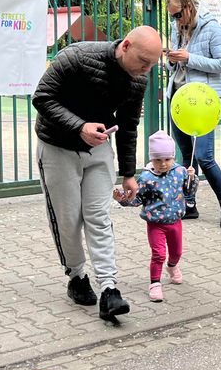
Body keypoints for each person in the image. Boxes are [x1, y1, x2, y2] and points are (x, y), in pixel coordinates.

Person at [33, 26, 163, 323]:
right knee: (68, 219)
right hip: (58, 146)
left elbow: (129, 126)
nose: (146, 70)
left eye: (152, 65)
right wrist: (79, 126)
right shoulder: (76, 57)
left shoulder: (138, 79)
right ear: (126, 46)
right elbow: (42, 98)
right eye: (144, 61)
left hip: (100, 150)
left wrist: (129, 174)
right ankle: (77, 277)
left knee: (98, 216)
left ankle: (109, 289)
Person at [165, 0, 221, 229]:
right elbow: (174, 69)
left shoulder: (212, 28)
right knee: (187, 157)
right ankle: (189, 205)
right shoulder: (178, 30)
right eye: (172, 16)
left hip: (203, 104)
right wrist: (171, 60)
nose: (175, 20)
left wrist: (188, 58)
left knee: (204, 157)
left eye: (177, 15)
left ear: (188, 7)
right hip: (179, 100)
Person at [132, 130, 194, 303]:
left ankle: (172, 267)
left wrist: (192, 178)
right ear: (152, 159)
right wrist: (124, 198)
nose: (163, 164)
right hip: (155, 224)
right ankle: (155, 283)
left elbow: (189, 192)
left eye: (167, 159)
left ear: (173, 157)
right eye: (158, 159)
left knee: (177, 252)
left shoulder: (180, 171)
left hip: (175, 221)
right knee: (158, 254)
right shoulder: (146, 177)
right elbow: (138, 198)